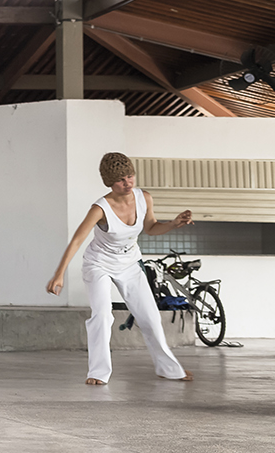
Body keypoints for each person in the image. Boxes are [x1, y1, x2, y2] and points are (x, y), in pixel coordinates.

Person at [47, 152, 193, 385]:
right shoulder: (101, 208)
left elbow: (151, 228)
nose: (127, 183)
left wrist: (174, 224)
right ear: (109, 182)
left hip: (129, 263)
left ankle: (169, 369)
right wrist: (59, 274)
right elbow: (76, 240)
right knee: (103, 316)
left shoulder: (144, 198)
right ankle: (98, 372)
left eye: (130, 176)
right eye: (120, 180)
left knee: (151, 317)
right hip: (99, 264)